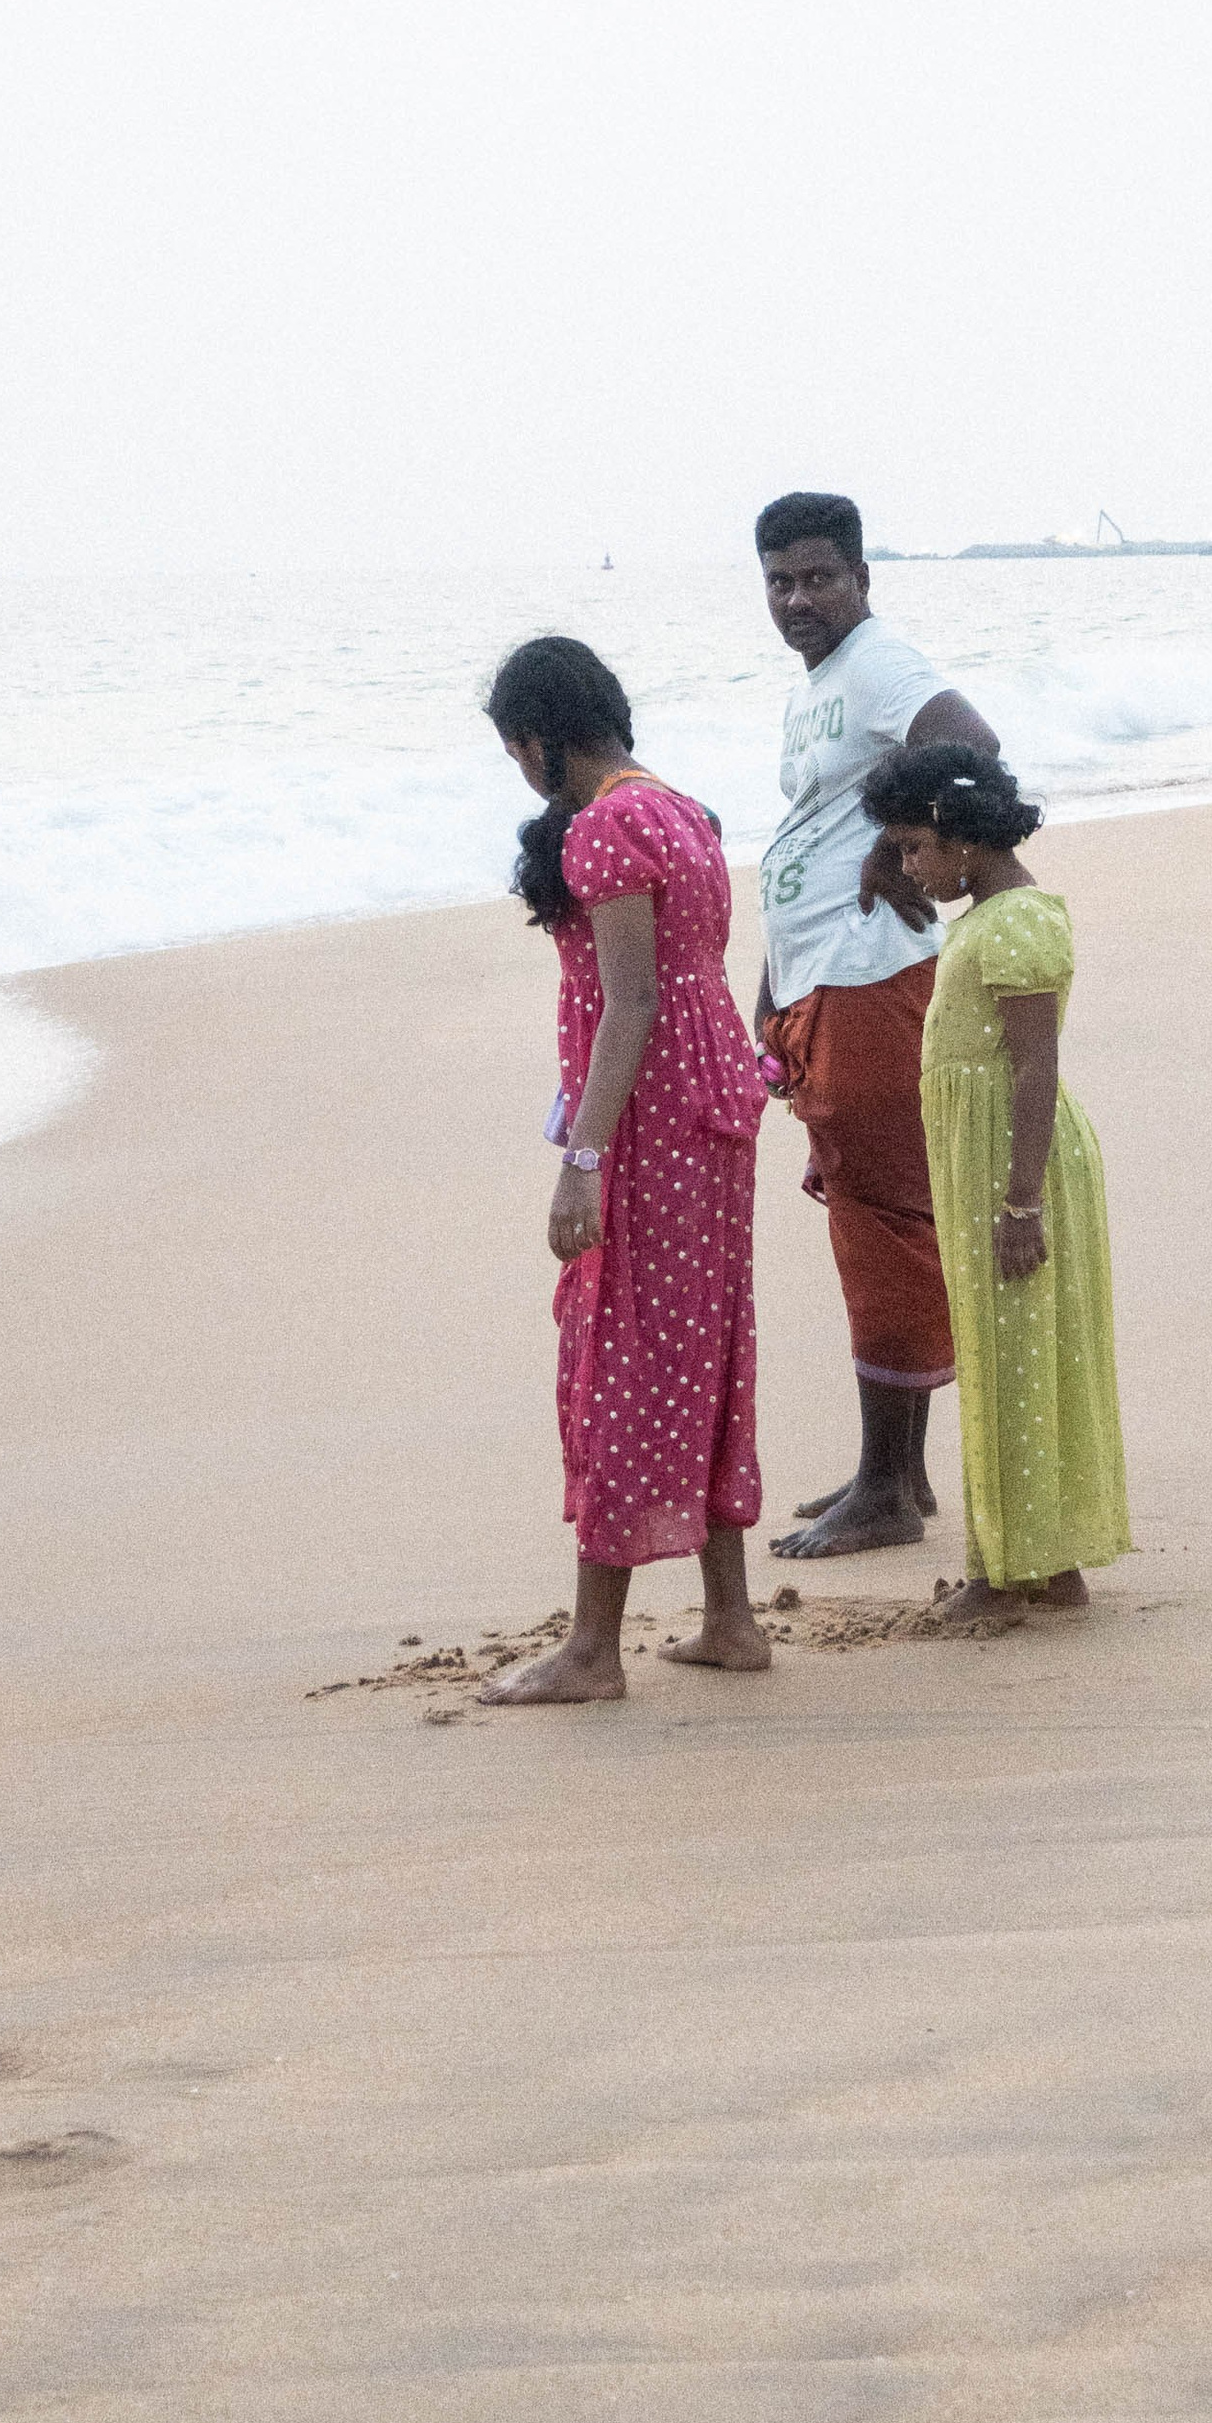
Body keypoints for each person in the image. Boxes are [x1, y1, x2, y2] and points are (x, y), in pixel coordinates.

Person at [478, 634, 775, 1705]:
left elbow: (629, 1004)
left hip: (652, 1116)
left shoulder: (604, 829)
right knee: (704, 1348)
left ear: (541, 740)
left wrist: (581, 1159)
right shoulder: (682, 811)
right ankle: (730, 1618)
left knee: (622, 1355)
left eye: (515, 749)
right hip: (715, 1105)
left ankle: (593, 1650)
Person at [750, 491, 1002, 1559]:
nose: (799, 599)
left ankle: (891, 1494)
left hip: (875, 977)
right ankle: (887, 1471)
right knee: (864, 1211)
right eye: (779, 581)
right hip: (823, 978)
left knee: (883, 1218)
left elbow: (972, 746)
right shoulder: (824, 687)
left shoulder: (881, 663)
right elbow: (811, 828)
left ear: (860, 578)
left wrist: (901, 848)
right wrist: (771, 983)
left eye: (818, 577)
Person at [858, 738, 1130, 1627]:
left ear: (955, 834)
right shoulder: (982, 915)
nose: (906, 867)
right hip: (988, 1164)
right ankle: (1041, 1565)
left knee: (1015, 1360)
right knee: (1006, 1354)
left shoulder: (1016, 921)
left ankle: (1007, 1571)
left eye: (911, 848)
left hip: (1020, 1168)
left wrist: (1020, 1202)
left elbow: (1033, 1067)